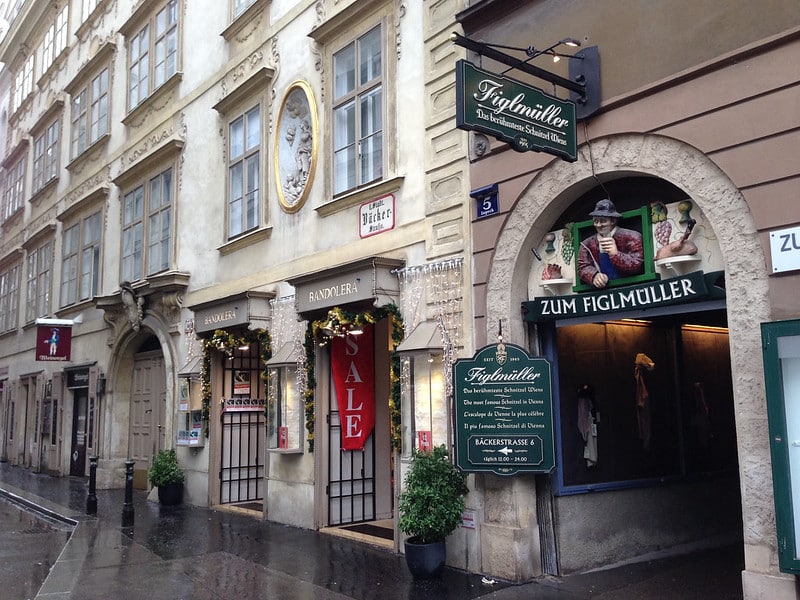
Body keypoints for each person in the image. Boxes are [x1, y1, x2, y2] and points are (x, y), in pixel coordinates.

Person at [577, 199, 644, 288]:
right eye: (596, 221)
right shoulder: (587, 244)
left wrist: (615, 254)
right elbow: (582, 267)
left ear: (613, 221)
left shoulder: (632, 236)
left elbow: (637, 264)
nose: (599, 225)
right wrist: (594, 275)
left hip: (630, 287)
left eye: (603, 221)